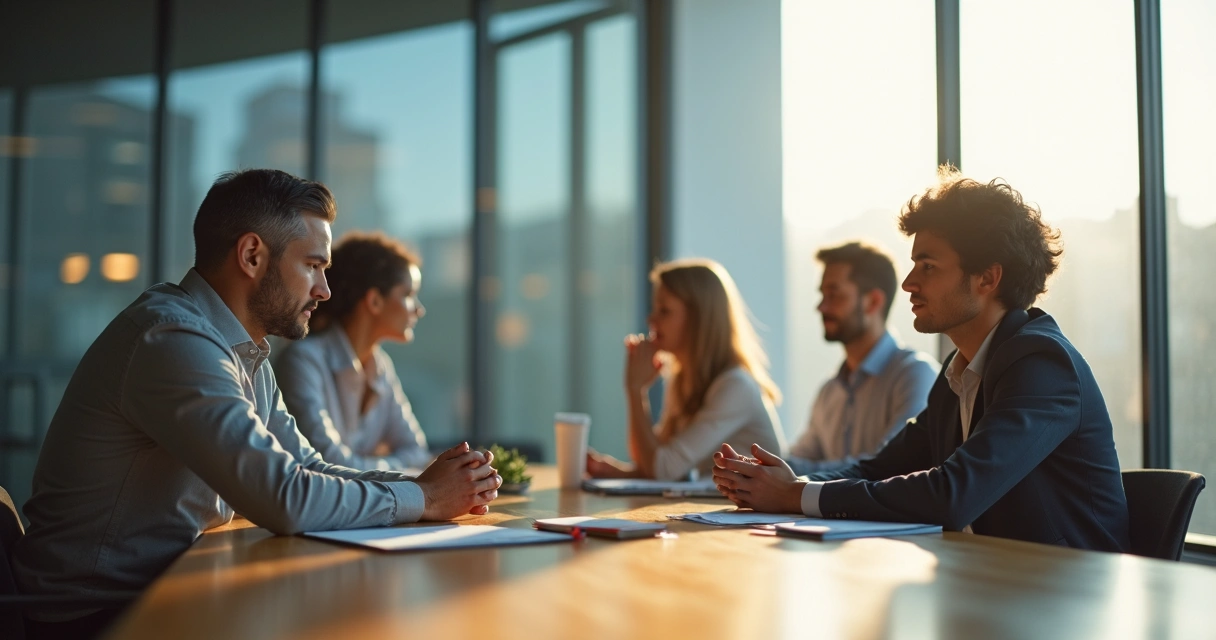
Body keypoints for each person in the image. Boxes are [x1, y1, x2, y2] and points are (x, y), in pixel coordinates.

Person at [12, 169, 500, 638]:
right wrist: (427, 499)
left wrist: (425, 486)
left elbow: (310, 466)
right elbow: (283, 498)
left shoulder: (243, 353)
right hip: (98, 617)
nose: (325, 290)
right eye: (312, 266)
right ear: (251, 255)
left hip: (171, 588)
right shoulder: (173, 340)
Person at [712, 171, 1131, 552]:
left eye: (927, 266)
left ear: (987, 278)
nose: (909, 283)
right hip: (988, 582)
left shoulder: (1043, 364)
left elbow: (953, 494)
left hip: (1068, 599)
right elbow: (877, 469)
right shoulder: (959, 372)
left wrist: (793, 495)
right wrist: (782, 482)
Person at [586, 258, 786, 481]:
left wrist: (635, 390)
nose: (651, 319)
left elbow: (662, 469)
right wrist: (615, 471)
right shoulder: (683, 379)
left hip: (758, 515)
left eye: (664, 310)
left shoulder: (736, 386)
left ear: (698, 318)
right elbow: (655, 459)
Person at [276, 231, 433, 472]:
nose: (419, 310)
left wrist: (365, 466)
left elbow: (417, 453)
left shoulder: (380, 365)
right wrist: (390, 466)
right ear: (374, 301)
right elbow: (327, 465)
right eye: (408, 295)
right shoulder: (302, 361)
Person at [786, 242, 938, 475]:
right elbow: (798, 460)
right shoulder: (829, 391)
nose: (821, 307)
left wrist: (786, 474)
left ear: (873, 302)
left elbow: (888, 466)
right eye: (822, 295)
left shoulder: (914, 375)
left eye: (834, 295)